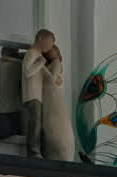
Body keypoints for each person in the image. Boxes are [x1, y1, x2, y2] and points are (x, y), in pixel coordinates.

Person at [21, 29, 57, 159]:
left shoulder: (39, 56)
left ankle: (39, 149)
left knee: (39, 122)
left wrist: (53, 78)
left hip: (38, 95)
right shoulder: (31, 53)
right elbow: (28, 73)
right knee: (35, 122)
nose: (50, 46)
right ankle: (33, 151)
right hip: (31, 94)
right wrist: (40, 63)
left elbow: (45, 74)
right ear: (41, 38)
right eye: (50, 43)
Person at [40, 41, 74, 162]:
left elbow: (52, 79)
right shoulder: (52, 64)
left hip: (53, 106)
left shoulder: (56, 63)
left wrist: (39, 65)